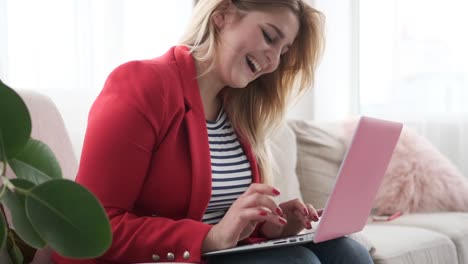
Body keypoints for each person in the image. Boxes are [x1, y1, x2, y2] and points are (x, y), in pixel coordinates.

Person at [53, 0, 374, 263]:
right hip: (152, 257)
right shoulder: (142, 84)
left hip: (208, 253)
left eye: (284, 51)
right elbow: (92, 227)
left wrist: (272, 227)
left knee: (349, 253)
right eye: (269, 36)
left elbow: (221, 220)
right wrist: (211, 237)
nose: (274, 61)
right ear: (222, 15)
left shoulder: (238, 108)